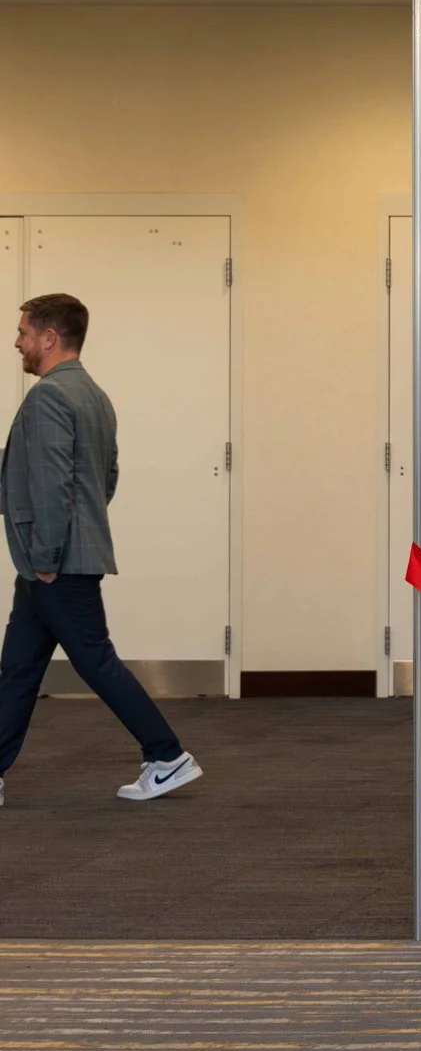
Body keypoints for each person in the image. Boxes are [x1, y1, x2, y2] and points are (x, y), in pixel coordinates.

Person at [0, 294, 201, 806]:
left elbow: (51, 486)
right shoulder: (93, 395)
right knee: (20, 666)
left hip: (54, 563)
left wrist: (45, 558)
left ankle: (167, 755)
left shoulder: (48, 398)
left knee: (95, 661)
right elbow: (103, 478)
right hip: (59, 559)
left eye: (24, 331)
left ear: (49, 338)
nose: (17, 340)